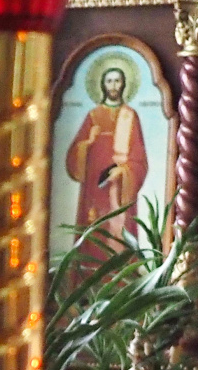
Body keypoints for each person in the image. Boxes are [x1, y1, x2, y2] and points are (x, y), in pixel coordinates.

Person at [64, 64, 149, 240]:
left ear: (123, 84)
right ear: (103, 85)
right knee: (95, 230)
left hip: (120, 186)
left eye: (117, 81)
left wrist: (124, 171)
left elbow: (139, 158)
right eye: (109, 81)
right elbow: (74, 155)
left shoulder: (130, 116)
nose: (113, 86)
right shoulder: (93, 115)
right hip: (95, 185)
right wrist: (88, 143)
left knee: (119, 231)